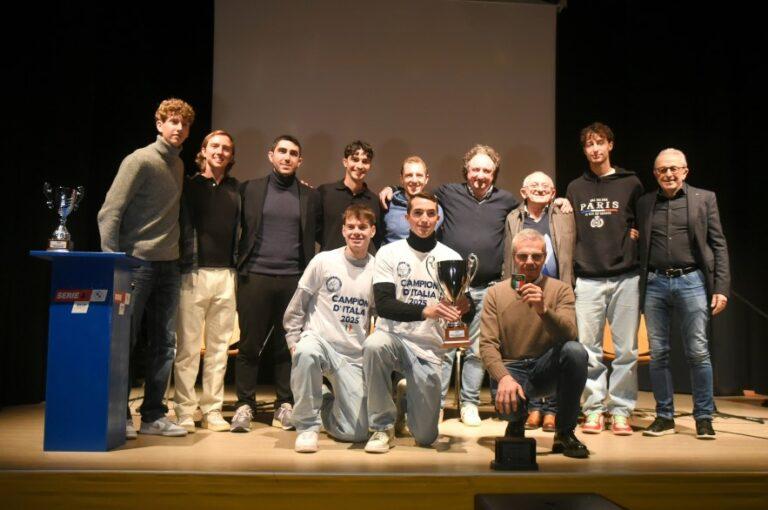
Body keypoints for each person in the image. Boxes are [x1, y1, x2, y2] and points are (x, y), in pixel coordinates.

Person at [97, 98, 195, 438]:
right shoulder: (139, 160)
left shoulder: (178, 166)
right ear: (159, 124)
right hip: (136, 265)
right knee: (125, 340)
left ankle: (153, 415)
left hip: (169, 266)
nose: (178, 128)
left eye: (183, 124)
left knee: (165, 344)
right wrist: (113, 263)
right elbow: (109, 212)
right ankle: (118, 414)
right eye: (171, 121)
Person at [363, 193, 470, 453]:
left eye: (430, 213)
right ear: (407, 217)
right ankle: (381, 427)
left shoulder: (451, 256)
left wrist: (465, 306)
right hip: (394, 338)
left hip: (429, 347)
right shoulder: (389, 252)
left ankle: (404, 396)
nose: (424, 219)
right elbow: (385, 305)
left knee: (425, 437)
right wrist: (427, 311)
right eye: (418, 213)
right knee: (374, 345)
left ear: (438, 218)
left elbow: (462, 305)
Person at [230, 135, 321, 433]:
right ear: (271, 155)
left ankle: (285, 404)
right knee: (249, 344)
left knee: (287, 347)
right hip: (255, 276)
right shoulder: (250, 189)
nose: (287, 157)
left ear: (300, 160)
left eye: (293, 153)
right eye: (281, 151)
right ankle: (245, 404)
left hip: (294, 280)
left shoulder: (310, 196)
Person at [638, 149, 730, 440]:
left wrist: (721, 288)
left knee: (698, 352)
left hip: (692, 281)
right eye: (663, 170)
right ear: (655, 174)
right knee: (659, 355)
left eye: (674, 169)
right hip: (654, 283)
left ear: (686, 171)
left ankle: (703, 417)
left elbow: (719, 245)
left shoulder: (705, 199)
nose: (668, 174)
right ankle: (664, 416)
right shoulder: (644, 203)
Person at [479, 229, 589, 458]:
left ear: (545, 257)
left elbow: (570, 335)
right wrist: (504, 378)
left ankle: (565, 432)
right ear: (514, 257)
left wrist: (544, 310)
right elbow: (487, 345)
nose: (529, 262)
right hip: (512, 370)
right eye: (523, 256)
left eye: (536, 256)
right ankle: (516, 423)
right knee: (510, 410)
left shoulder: (561, 290)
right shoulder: (495, 293)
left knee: (575, 352)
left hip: (544, 368)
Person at [566, 122, 644, 436]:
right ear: (584, 150)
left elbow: (642, 221)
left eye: (600, 143)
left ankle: (622, 411)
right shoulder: (575, 188)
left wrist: (635, 235)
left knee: (626, 351)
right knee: (589, 351)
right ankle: (594, 410)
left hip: (625, 276)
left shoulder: (631, 183)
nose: (595, 149)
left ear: (610, 145)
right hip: (588, 279)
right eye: (589, 144)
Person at [284, 204, 377, 453]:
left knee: (355, 433)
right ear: (343, 231)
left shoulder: (378, 270)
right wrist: (294, 341)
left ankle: (324, 399)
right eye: (351, 227)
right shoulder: (323, 261)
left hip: (352, 355)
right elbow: (296, 307)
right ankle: (307, 427)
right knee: (305, 352)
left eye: (362, 227)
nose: (356, 232)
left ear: (373, 231)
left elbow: (380, 317)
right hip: (319, 342)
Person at [173, 130, 240, 433]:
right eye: (215, 146)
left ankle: (212, 410)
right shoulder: (186, 186)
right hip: (192, 272)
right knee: (187, 347)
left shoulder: (238, 189)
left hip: (227, 274)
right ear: (203, 150)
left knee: (218, 349)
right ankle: (185, 410)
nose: (220, 151)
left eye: (226, 148)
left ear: (231, 155)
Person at [502, 171, 575, 432]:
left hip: (555, 289)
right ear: (523, 192)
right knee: (530, 347)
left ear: (554, 191)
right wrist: (511, 288)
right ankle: (533, 408)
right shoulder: (513, 217)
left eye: (546, 185)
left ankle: (552, 411)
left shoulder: (564, 212)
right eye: (533, 185)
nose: (540, 189)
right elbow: (509, 255)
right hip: (524, 287)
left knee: (555, 346)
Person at [318, 140, 383, 251]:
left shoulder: (374, 201)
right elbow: (313, 230)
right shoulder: (325, 193)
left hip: (361, 266)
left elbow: (376, 238)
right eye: (355, 159)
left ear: (369, 165)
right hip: (329, 264)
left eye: (365, 161)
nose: (359, 165)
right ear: (345, 162)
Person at [381, 156, 443, 244]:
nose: (414, 180)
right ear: (401, 179)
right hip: (391, 256)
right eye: (409, 175)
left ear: (426, 179)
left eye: (419, 175)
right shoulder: (387, 203)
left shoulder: (436, 208)